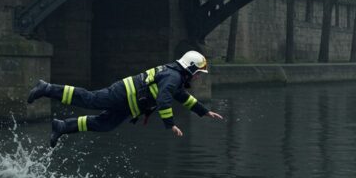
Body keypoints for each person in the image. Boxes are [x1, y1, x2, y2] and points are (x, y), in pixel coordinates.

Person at [27, 51, 225, 147]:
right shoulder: (173, 76)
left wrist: (204, 111)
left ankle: (63, 126)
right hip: (124, 94)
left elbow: (181, 96)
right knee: (91, 100)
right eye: (198, 73)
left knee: (105, 124)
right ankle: (47, 88)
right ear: (190, 68)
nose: (198, 77)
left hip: (129, 104)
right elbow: (164, 99)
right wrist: (170, 124)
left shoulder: (176, 77)